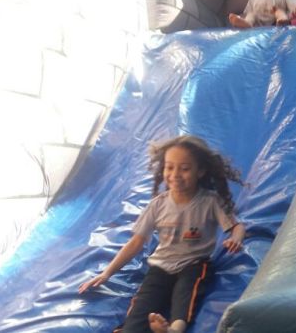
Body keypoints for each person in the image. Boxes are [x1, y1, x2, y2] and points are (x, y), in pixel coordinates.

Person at [78, 135, 246, 333]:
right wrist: (107, 273)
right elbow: (136, 242)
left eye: (185, 169)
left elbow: (237, 226)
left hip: (193, 263)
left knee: (186, 293)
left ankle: (174, 329)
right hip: (160, 266)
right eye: (169, 167)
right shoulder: (158, 205)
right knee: (143, 304)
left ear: (200, 171)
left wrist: (235, 239)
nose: (175, 174)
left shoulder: (210, 201)